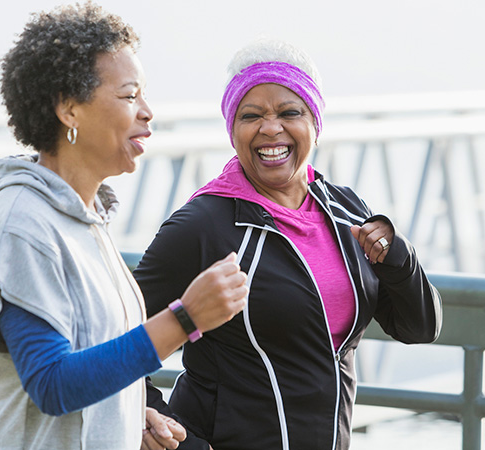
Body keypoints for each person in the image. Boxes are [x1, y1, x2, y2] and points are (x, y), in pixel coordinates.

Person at [0, 4, 248, 449]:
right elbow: (53, 383)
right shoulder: (22, 223)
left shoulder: (85, 217)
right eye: (130, 95)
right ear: (69, 109)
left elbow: (86, 368)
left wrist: (130, 411)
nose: (147, 112)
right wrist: (186, 318)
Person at [134, 39, 443, 450]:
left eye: (289, 112)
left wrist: (399, 259)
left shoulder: (346, 211)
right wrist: (162, 427)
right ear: (233, 130)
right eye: (251, 115)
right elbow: (116, 341)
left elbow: (418, 327)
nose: (270, 128)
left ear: (314, 122)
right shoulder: (203, 225)